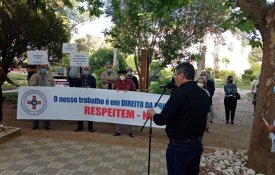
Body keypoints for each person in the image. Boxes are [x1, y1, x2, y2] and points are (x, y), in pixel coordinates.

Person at [146, 62, 210, 175]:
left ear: (181, 75)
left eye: (176, 75)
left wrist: (153, 114)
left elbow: (162, 119)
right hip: (197, 144)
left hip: (179, 147)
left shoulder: (179, 93)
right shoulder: (204, 94)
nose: (175, 78)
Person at [29, 64, 55, 130]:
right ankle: (35, 125)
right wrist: (35, 82)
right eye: (42, 67)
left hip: (47, 95)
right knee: (36, 109)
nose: (43, 68)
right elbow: (30, 83)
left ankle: (47, 125)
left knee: (47, 110)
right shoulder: (35, 75)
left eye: (44, 67)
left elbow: (53, 85)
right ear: (39, 68)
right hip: (38, 96)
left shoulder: (50, 75)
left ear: (47, 68)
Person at [113, 70, 136, 137]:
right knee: (118, 116)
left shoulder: (130, 81)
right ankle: (118, 131)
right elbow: (113, 90)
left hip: (128, 103)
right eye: (120, 74)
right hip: (118, 102)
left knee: (129, 116)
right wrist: (116, 90)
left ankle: (130, 132)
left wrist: (129, 91)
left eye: (123, 74)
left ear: (126, 75)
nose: (121, 76)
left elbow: (134, 90)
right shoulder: (117, 81)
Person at [75, 66, 96, 132]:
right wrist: (77, 79)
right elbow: (76, 86)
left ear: (89, 70)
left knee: (89, 112)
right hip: (81, 97)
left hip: (89, 97)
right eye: (85, 69)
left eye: (87, 69)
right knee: (79, 112)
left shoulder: (92, 78)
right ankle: (80, 127)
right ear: (83, 70)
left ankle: (90, 127)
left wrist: (90, 87)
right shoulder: (80, 77)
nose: (86, 70)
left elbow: (94, 86)